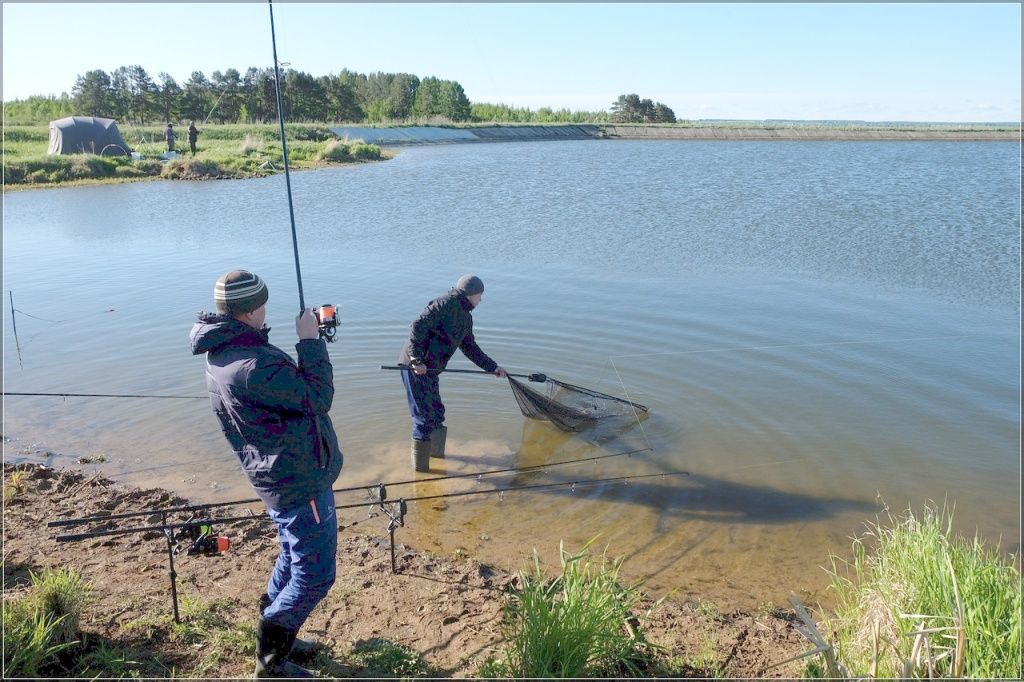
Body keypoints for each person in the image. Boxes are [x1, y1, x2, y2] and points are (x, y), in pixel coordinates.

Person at [189, 270, 342, 678]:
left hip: (275, 475)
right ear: (252, 309)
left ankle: (276, 630)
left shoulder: (224, 350)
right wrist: (309, 341)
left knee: (293, 556)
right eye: (263, 304)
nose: (265, 310)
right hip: (299, 480)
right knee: (316, 575)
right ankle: (271, 659)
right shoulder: (252, 363)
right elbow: (318, 397)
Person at [399, 274, 506, 472]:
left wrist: (492, 367)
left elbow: (470, 347)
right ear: (471, 293)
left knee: (437, 414)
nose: (480, 300)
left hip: (430, 370)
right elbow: (417, 327)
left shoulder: (465, 317)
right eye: (480, 295)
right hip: (415, 367)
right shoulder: (444, 305)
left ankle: (437, 460)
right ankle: (422, 473)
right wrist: (416, 360)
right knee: (424, 418)